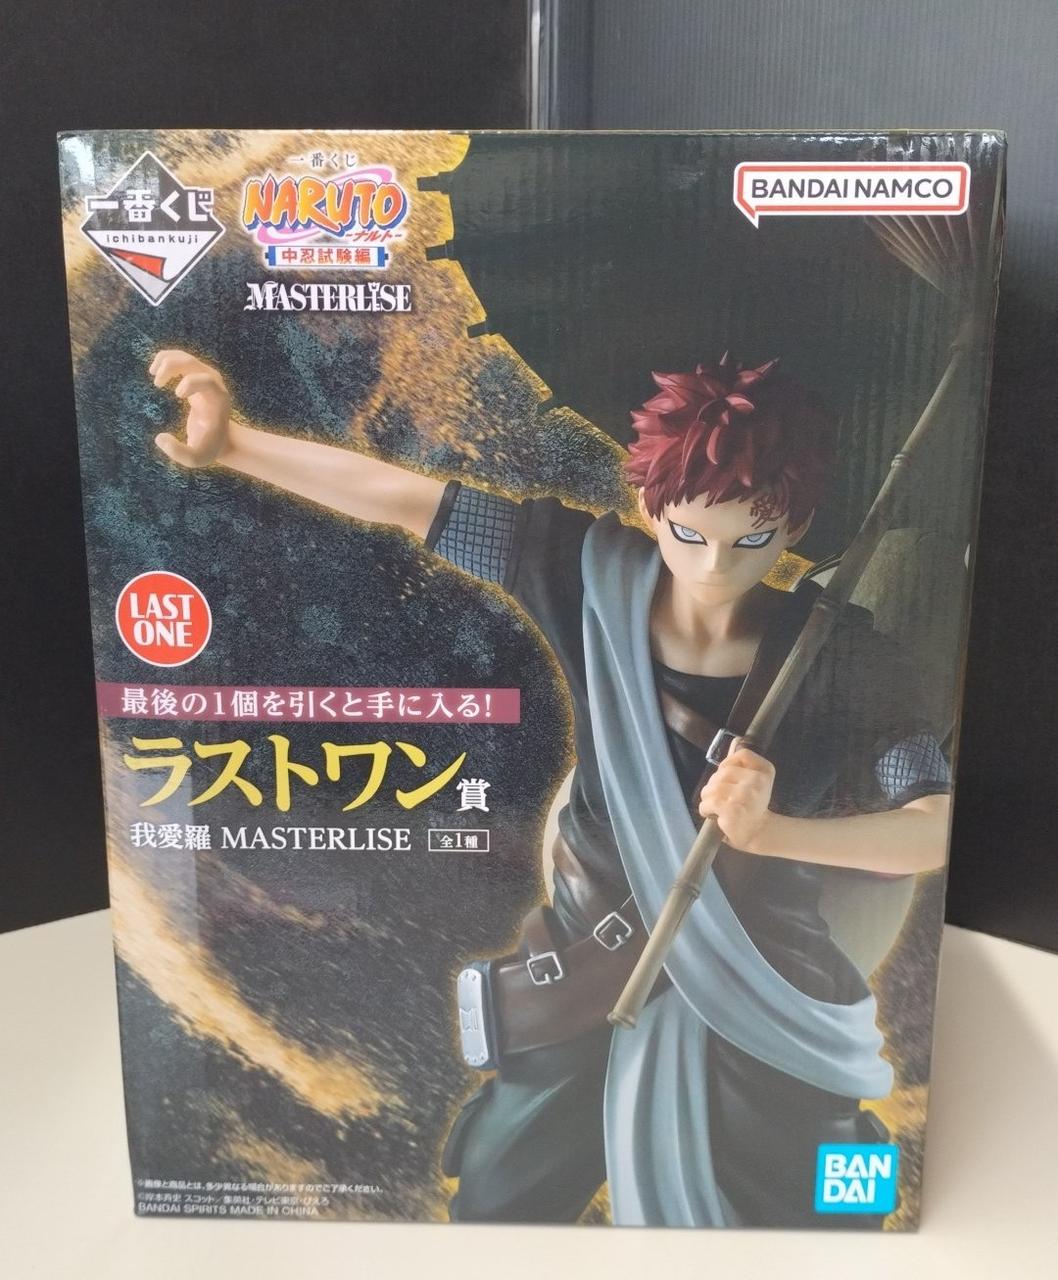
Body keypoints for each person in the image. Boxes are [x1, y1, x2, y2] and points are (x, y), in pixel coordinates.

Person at [148, 347, 951, 1227]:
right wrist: (236, 445)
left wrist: (776, 833)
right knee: (496, 1200)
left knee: (826, 1219)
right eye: (690, 534)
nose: (715, 567)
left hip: (766, 993)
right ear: (651, 506)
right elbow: (408, 501)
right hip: (588, 970)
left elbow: (935, 823)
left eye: (750, 540)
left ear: (795, 526)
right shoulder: (587, 575)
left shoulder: (842, 657)